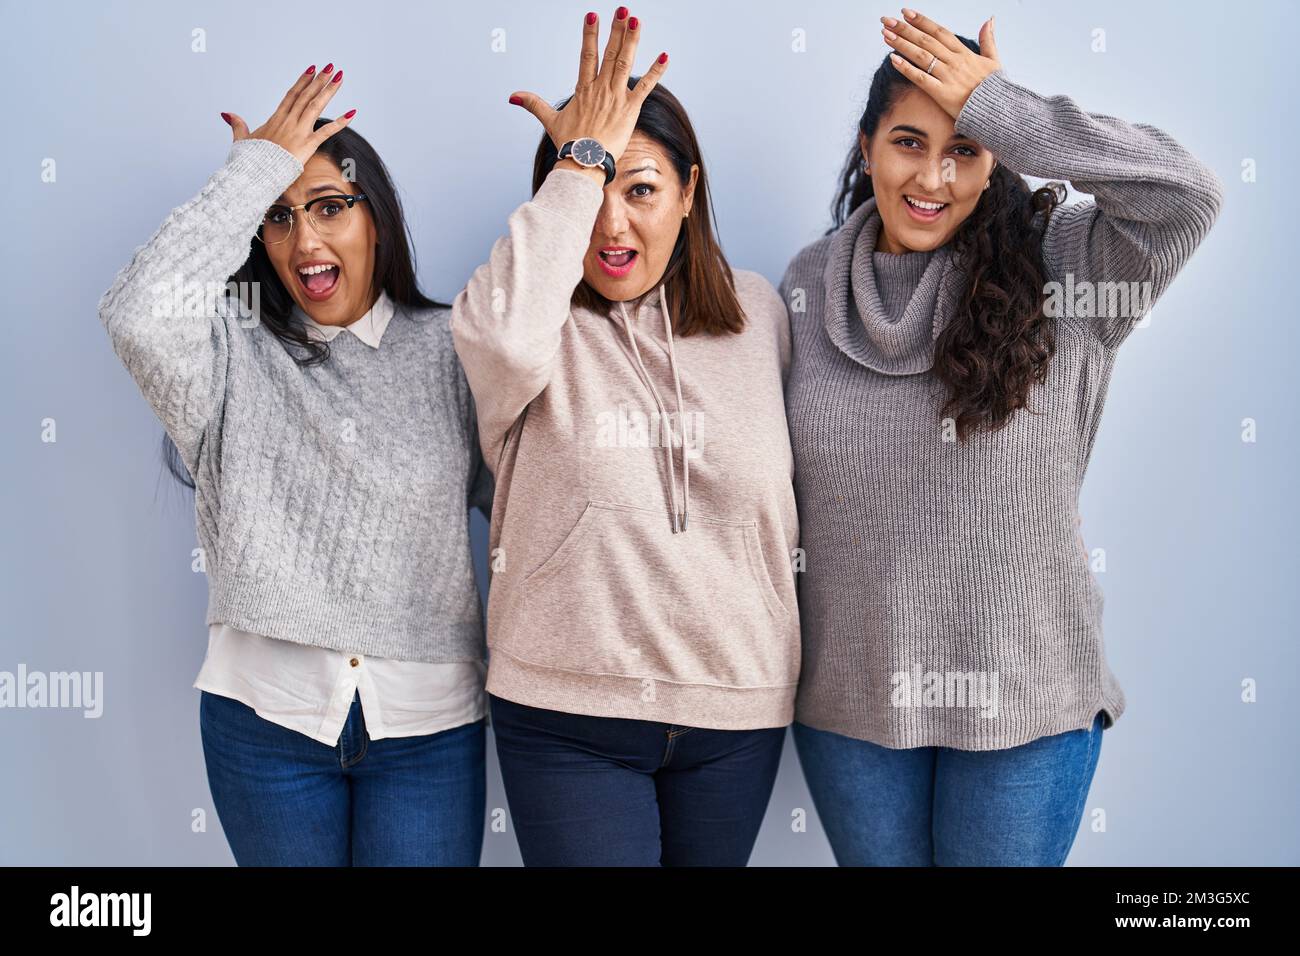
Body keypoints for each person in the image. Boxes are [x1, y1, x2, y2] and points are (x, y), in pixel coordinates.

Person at [781, 11, 1224, 865]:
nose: (933, 177)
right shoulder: (808, 284)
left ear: (998, 160)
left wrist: (1005, 108)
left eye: (966, 148)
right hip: (850, 708)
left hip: (1024, 706)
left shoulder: (1067, 267)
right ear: (867, 146)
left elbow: (1188, 196)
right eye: (908, 143)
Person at [97, 63, 492, 866]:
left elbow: (534, 500)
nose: (305, 240)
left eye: (329, 207)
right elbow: (136, 314)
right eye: (278, 217)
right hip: (264, 723)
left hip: (428, 728)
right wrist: (254, 171)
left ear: (376, 219)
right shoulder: (228, 349)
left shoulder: (454, 348)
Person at [451, 8, 799, 866]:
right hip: (569, 712)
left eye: (639, 189)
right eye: (590, 190)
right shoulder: (526, 324)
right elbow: (500, 341)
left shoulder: (759, 314)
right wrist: (582, 160)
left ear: (689, 192)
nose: (610, 225)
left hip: (736, 710)